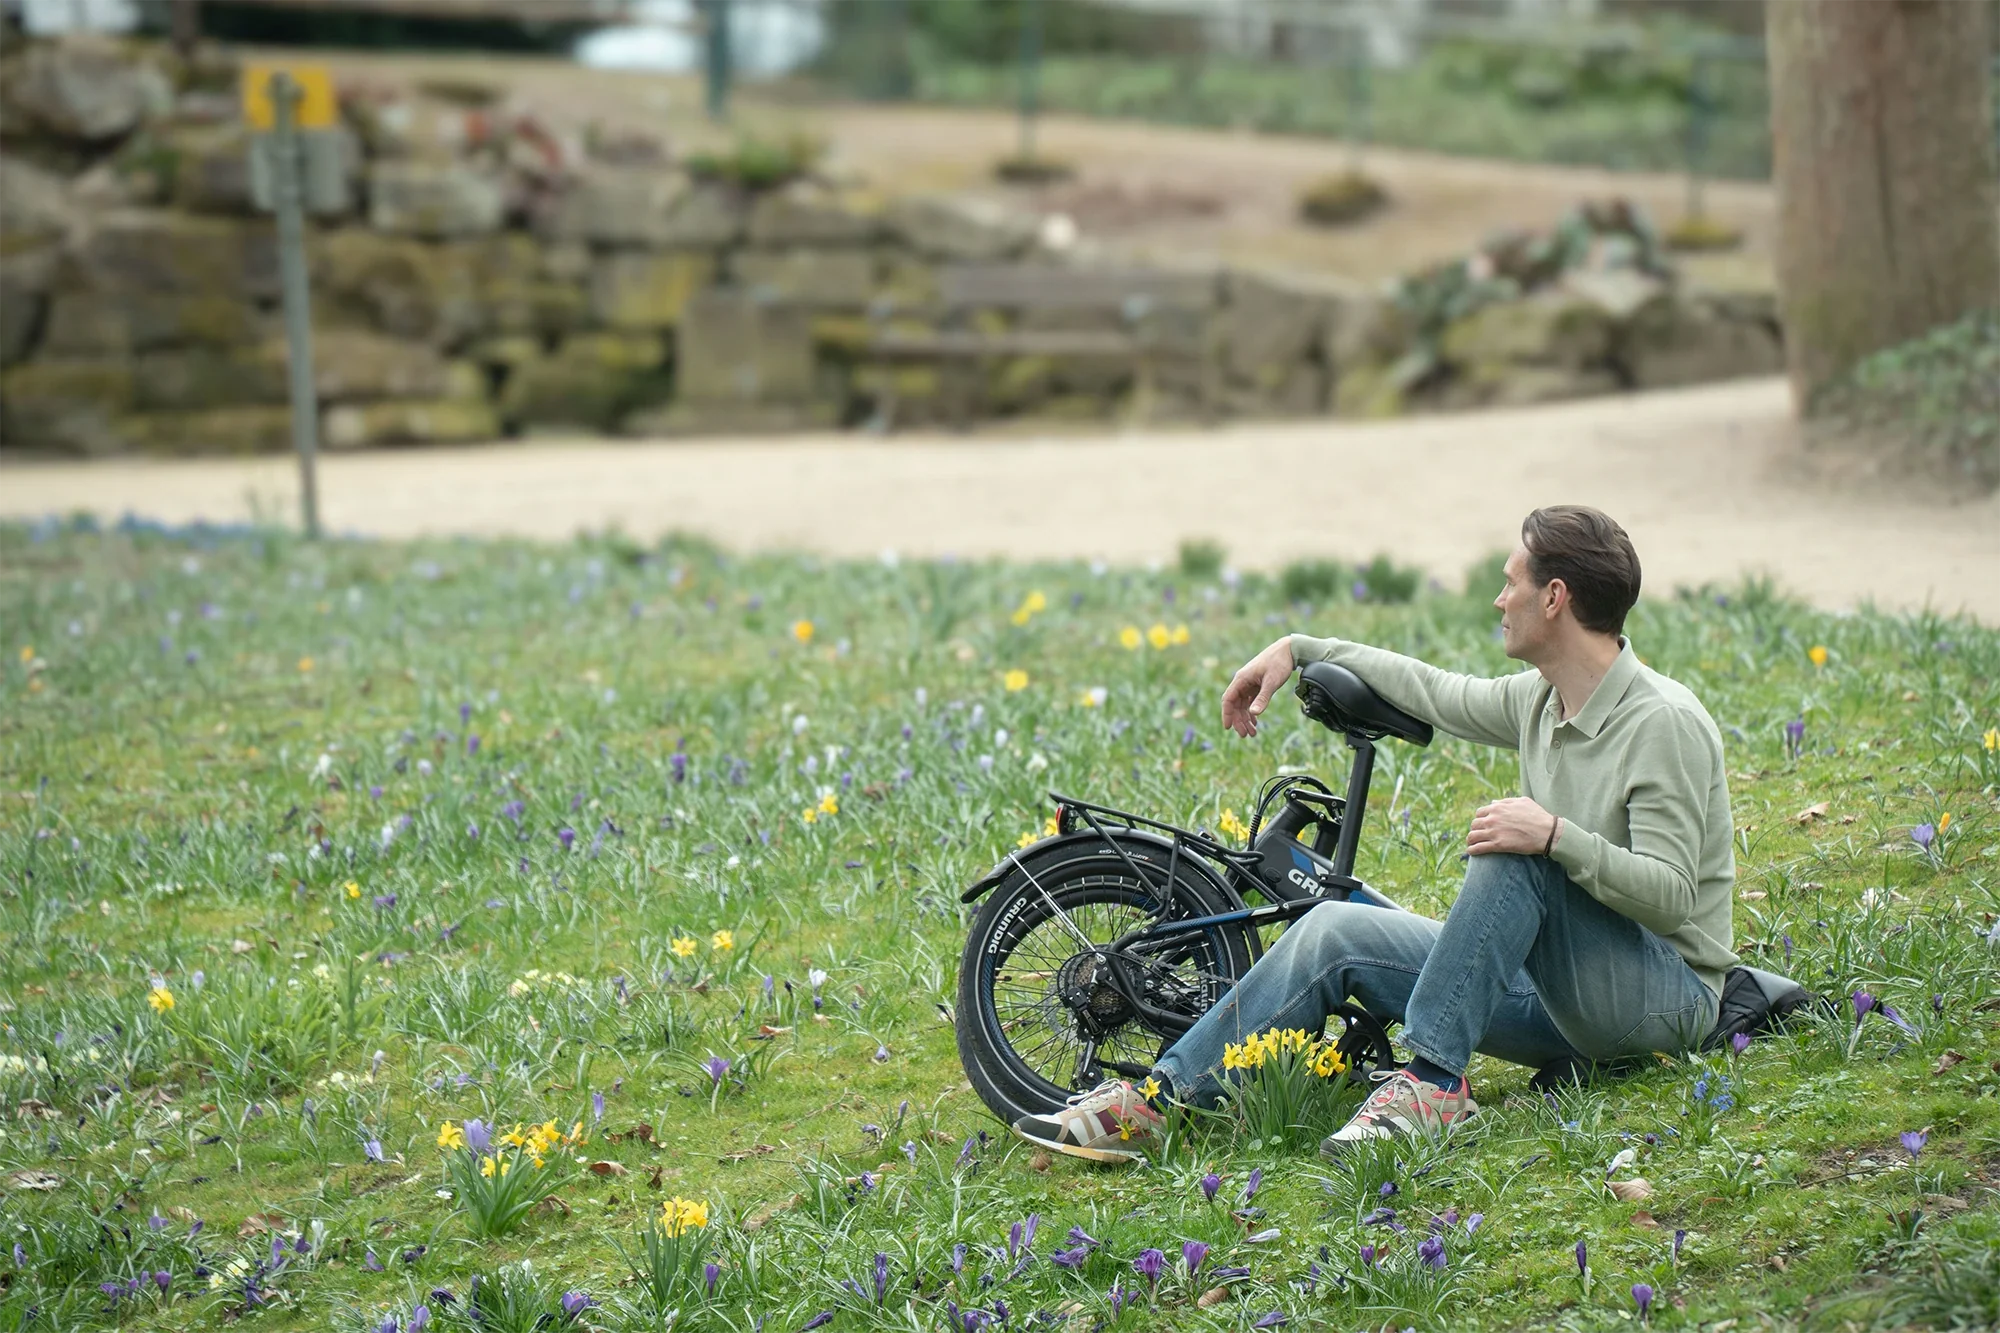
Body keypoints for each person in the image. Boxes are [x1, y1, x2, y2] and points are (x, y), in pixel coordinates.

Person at [1013, 505, 1738, 1163]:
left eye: (1511, 581)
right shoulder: (1540, 701)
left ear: (1555, 598)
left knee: (1519, 849)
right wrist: (1298, 647)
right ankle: (1162, 1101)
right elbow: (1429, 688)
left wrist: (1554, 836)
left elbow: (1673, 900)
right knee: (1335, 927)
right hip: (1557, 999)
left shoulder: (1660, 721)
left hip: (1661, 999)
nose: (1499, 598)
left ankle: (1431, 1083)